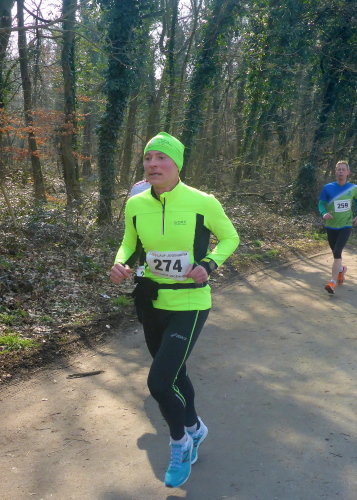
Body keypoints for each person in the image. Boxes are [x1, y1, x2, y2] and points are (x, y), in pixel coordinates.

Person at [109, 132, 239, 488]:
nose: (152, 164)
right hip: (152, 301)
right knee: (175, 374)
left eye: (161, 158)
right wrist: (120, 263)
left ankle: (180, 443)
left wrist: (209, 264)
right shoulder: (136, 204)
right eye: (148, 158)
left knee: (158, 382)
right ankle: (195, 427)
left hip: (190, 303)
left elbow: (231, 237)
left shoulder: (202, 202)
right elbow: (129, 243)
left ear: (177, 164)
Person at [318, 160, 357, 294]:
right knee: (335, 254)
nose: (341, 172)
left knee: (337, 252)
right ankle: (341, 270)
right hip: (331, 226)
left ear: (348, 172)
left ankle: (332, 282)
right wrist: (323, 213)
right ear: (335, 172)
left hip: (346, 225)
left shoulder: (353, 188)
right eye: (339, 169)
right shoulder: (328, 188)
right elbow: (321, 203)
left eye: (343, 169)